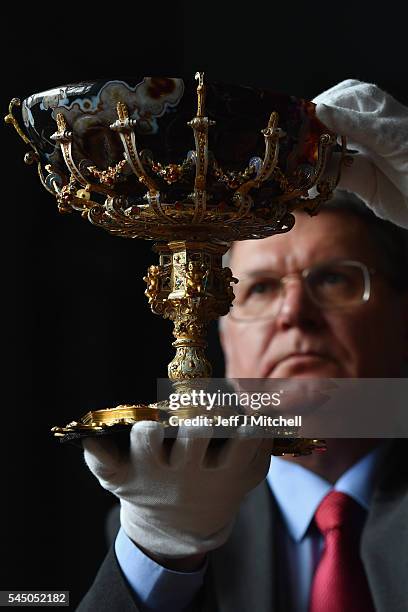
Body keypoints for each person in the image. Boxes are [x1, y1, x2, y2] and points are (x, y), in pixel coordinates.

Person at [77, 81, 408, 612]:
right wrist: (158, 556)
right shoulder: (166, 521)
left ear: (401, 311)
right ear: (223, 333)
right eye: (259, 288)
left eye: (333, 280)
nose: (292, 313)